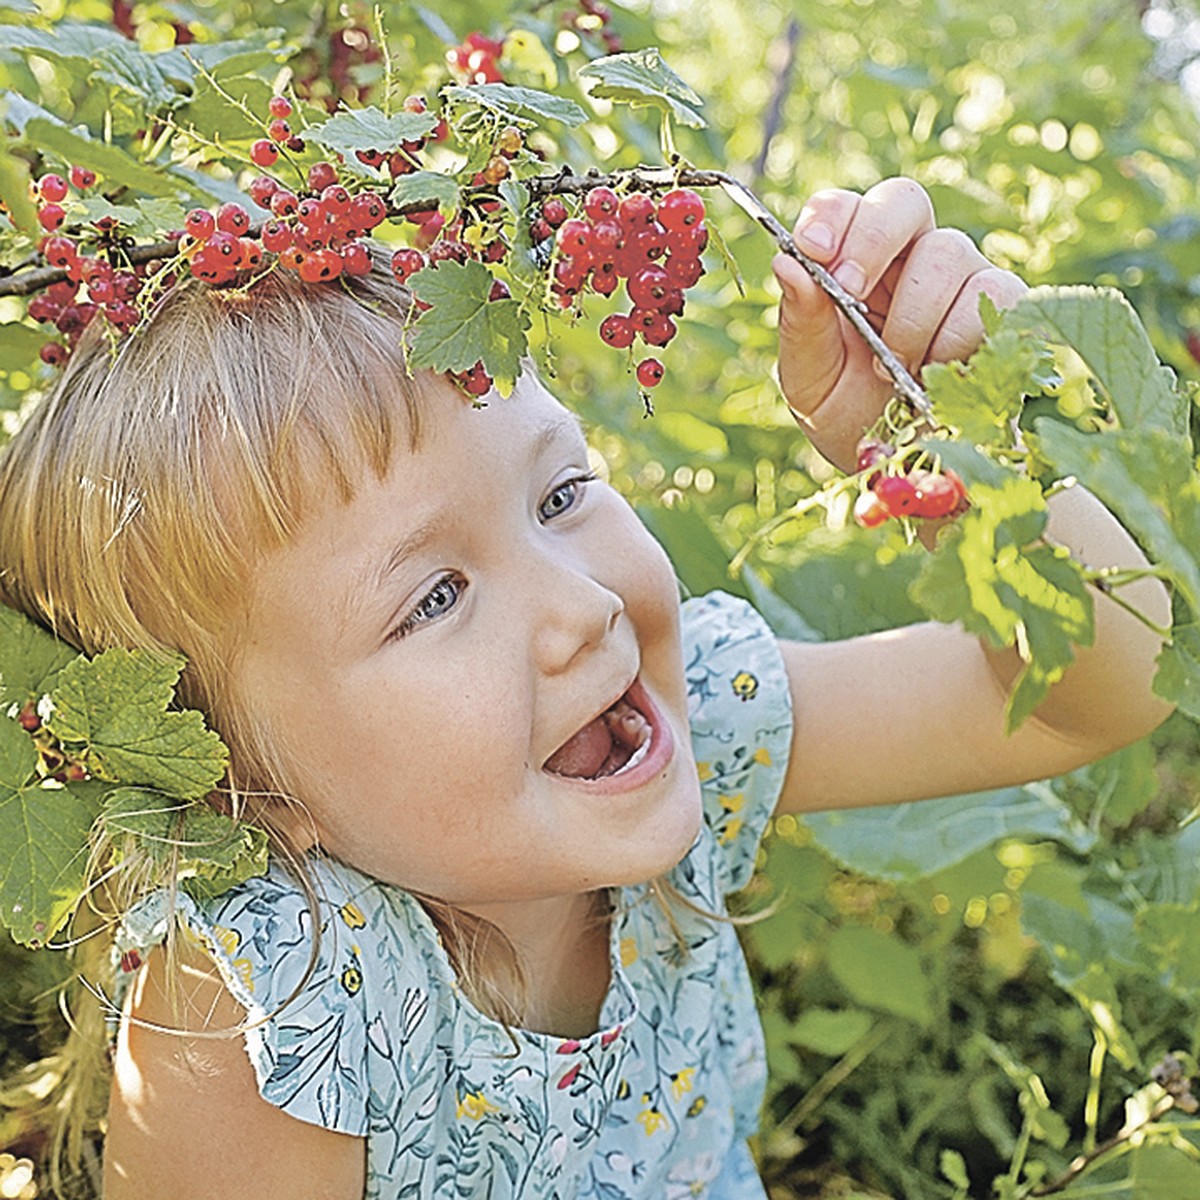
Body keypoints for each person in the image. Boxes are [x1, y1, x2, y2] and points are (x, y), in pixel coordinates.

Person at [0, 177, 1171, 1200]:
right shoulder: (274, 1005)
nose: (584, 609)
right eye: (435, 598)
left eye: (560, 495)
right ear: (247, 786)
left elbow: (1105, 695)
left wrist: (950, 432)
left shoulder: (693, 725)